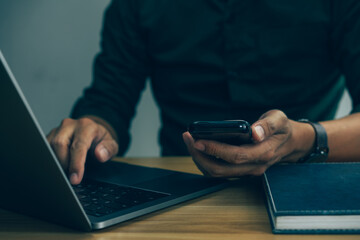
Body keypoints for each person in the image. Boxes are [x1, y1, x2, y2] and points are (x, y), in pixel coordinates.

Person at [47, 0, 360, 185]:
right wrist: (92, 129)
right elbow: (109, 99)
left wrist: (304, 139)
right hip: (178, 188)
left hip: (304, 184)